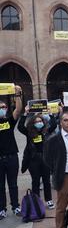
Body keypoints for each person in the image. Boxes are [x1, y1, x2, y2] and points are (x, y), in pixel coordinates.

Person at [18, 107, 57, 209]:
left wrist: (50, 114)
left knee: (46, 181)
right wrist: (25, 114)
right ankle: (37, 201)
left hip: (45, 159)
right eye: (36, 122)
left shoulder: (46, 131)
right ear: (32, 123)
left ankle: (49, 200)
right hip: (33, 160)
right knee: (35, 181)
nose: (39, 123)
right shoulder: (29, 132)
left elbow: (54, 125)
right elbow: (20, 127)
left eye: (40, 121)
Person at [0, 85, 23, 220]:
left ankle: (15, 206)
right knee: (0, 186)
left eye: (3, 107)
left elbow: (18, 110)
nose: (2, 109)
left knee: (13, 184)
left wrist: (18, 95)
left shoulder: (9, 120)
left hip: (12, 157)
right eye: (0, 107)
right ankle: (2, 209)